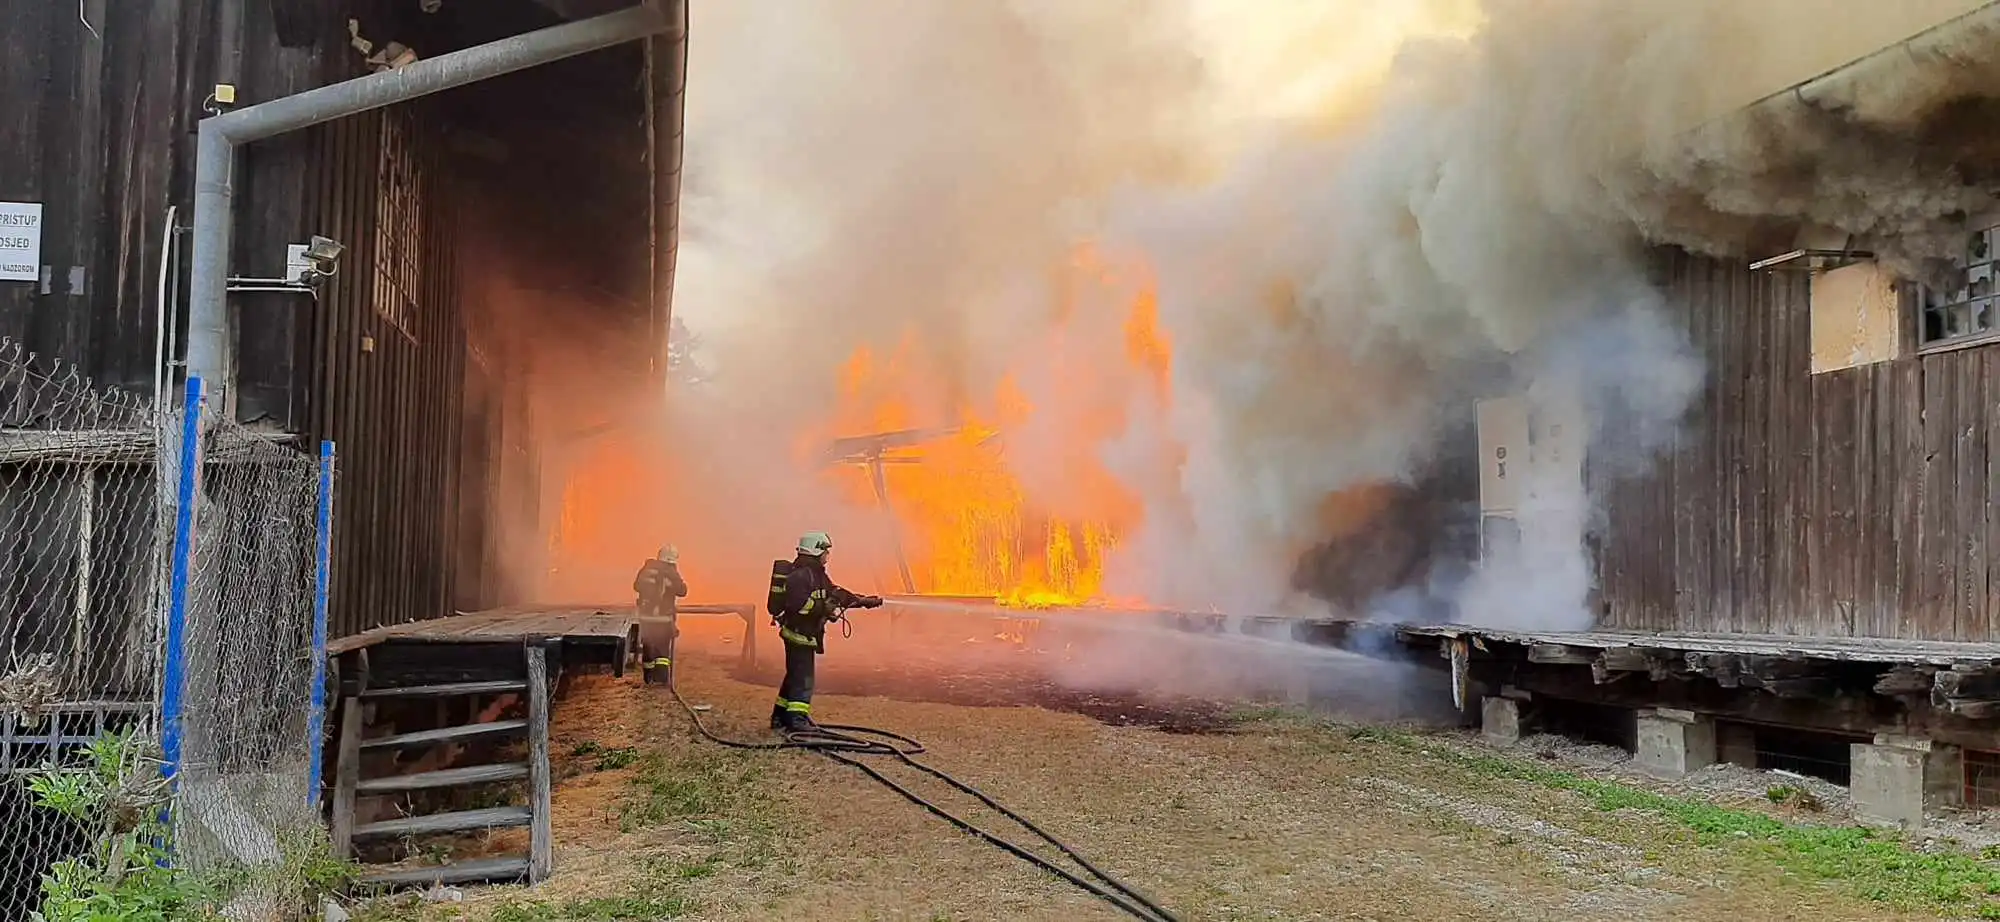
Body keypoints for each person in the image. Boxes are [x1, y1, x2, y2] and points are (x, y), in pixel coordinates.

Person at [771, 531, 882, 732]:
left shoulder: (817, 574)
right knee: (803, 679)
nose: (827, 556)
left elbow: (834, 593)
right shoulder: (800, 576)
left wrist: (863, 601)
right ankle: (797, 721)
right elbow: (800, 606)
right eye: (825, 551)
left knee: (794, 676)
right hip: (798, 635)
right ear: (816, 550)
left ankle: (780, 717)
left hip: (806, 634)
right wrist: (825, 607)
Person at [634, 545, 689, 685]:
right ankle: (661, 680)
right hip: (663, 619)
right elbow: (683, 591)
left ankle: (648, 678)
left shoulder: (646, 569)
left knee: (648, 647)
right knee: (662, 651)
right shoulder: (671, 571)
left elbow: (636, 586)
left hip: (646, 618)